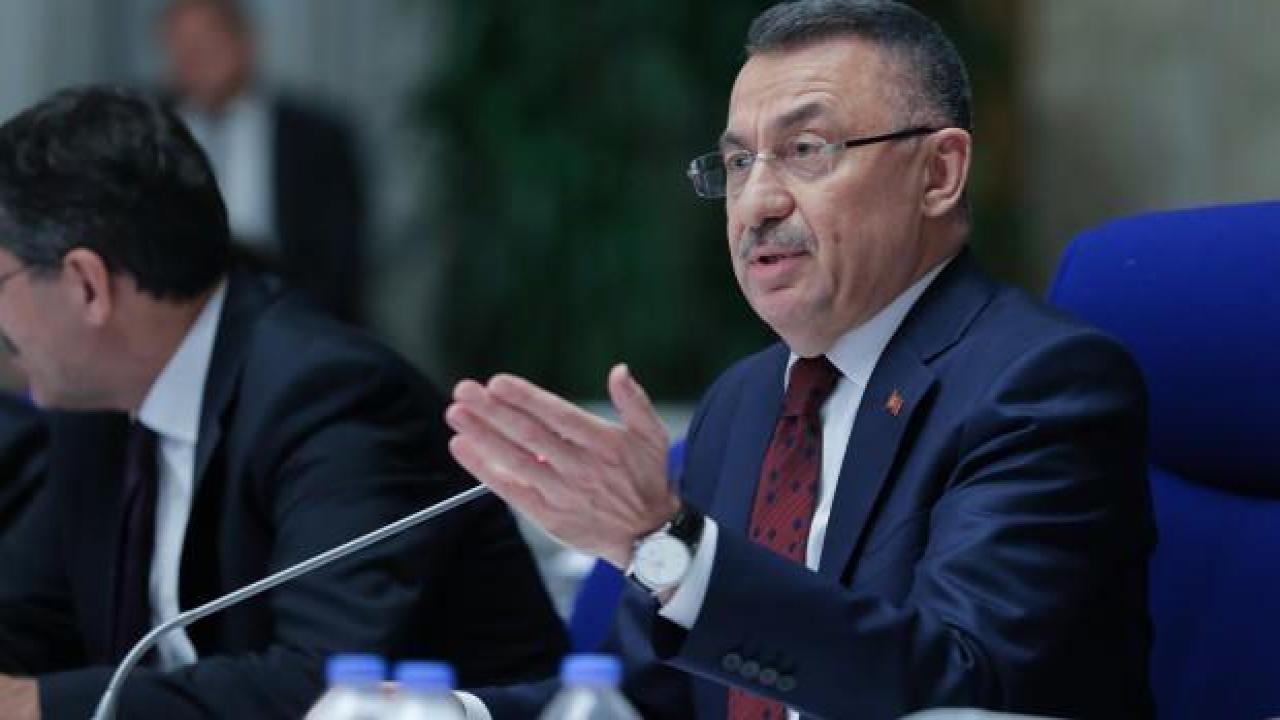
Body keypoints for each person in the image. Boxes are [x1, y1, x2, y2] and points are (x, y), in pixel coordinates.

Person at [445, 1, 1154, 718]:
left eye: (806, 150)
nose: (755, 203)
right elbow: (642, 702)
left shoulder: (1038, 385)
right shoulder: (744, 400)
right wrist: (450, 713)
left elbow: (958, 689)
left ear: (939, 174)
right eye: (738, 162)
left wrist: (670, 547)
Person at [0, 86, 567, 719]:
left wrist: (33, 706)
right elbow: (27, 620)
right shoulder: (100, 407)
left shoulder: (332, 398)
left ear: (87, 285)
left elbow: (321, 687)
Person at [157, 0, 368, 325]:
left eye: (206, 44)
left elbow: (340, 265)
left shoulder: (316, 137)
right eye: (184, 48)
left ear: (246, 42)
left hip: (291, 317)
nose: (196, 59)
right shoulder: (148, 131)